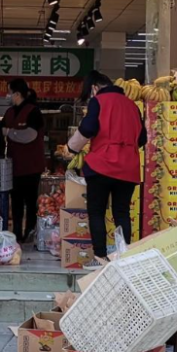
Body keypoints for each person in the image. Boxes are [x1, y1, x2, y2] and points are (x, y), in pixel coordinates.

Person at [67, 70, 147, 259]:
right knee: (121, 213)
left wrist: (72, 148)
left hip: (101, 165)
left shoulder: (98, 102)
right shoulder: (131, 105)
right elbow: (142, 138)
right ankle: (123, 257)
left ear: (95, 88)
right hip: (129, 167)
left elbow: (88, 128)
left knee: (96, 212)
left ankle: (100, 257)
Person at [3, 78, 46, 242]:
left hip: (32, 166)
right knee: (16, 202)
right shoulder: (9, 112)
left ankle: (30, 230)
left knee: (30, 200)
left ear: (17, 93)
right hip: (14, 166)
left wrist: (10, 133)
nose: (7, 96)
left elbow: (30, 135)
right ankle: (17, 233)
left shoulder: (33, 111)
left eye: (9, 92)